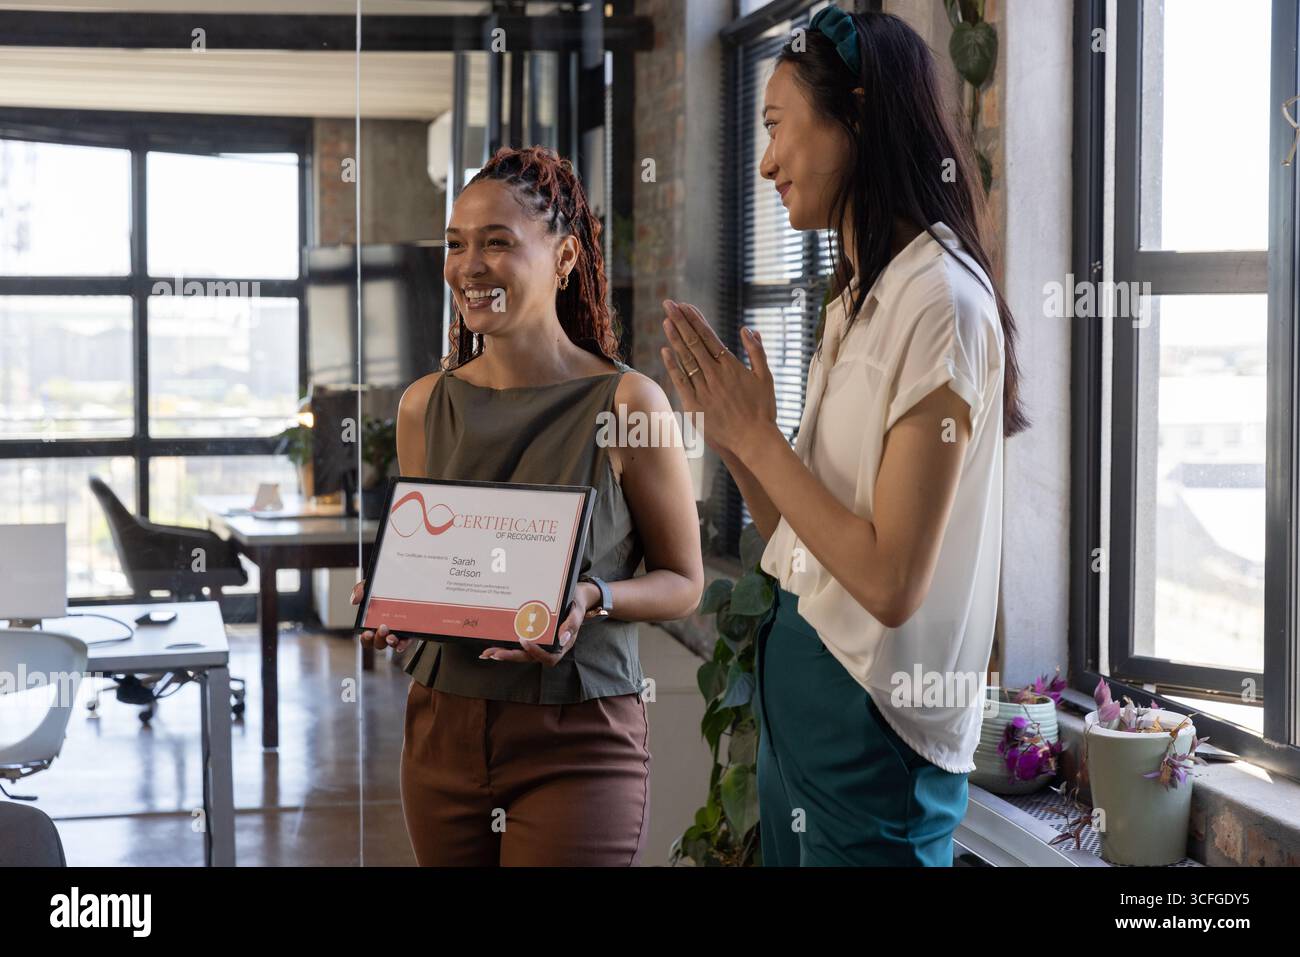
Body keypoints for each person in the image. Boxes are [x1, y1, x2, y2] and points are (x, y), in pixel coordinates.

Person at [660, 5, 1027, 866]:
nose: (765, 161)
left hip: (873, 735)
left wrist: (765, 437)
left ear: (856, 113)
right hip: (807, 711)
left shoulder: (941, 304)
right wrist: (738, 438)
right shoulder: (859, 296)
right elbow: (800, 537)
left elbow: (892, 581)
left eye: (779, 126)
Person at [353, 145, 703, 866]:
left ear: (566, 256)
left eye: (497, 243)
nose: (468, 266)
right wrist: (394, 601)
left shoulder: (630, 402)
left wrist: (591, 595)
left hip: (577, 736)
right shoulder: (425, 405)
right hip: (441, 730)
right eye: (455, 245)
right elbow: (435, 568)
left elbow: (684, 581)